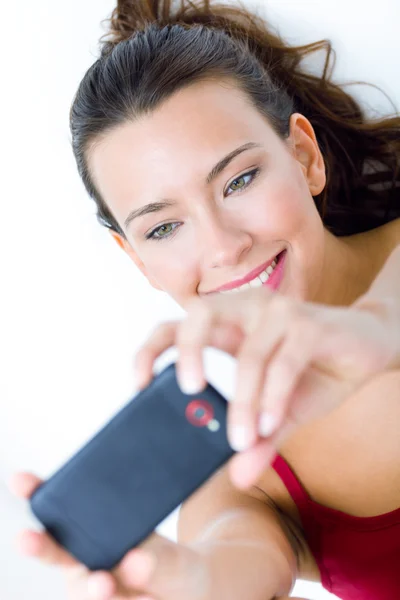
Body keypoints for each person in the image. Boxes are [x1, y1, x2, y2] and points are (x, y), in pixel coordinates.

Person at [9, 1, 400, 598]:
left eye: (239, 180)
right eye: (163, 227)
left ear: (304, 156)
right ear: (136, 259)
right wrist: (188, 580)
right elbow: (224, 554)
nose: (224, 247)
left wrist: (379, 325)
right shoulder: (238, 467)